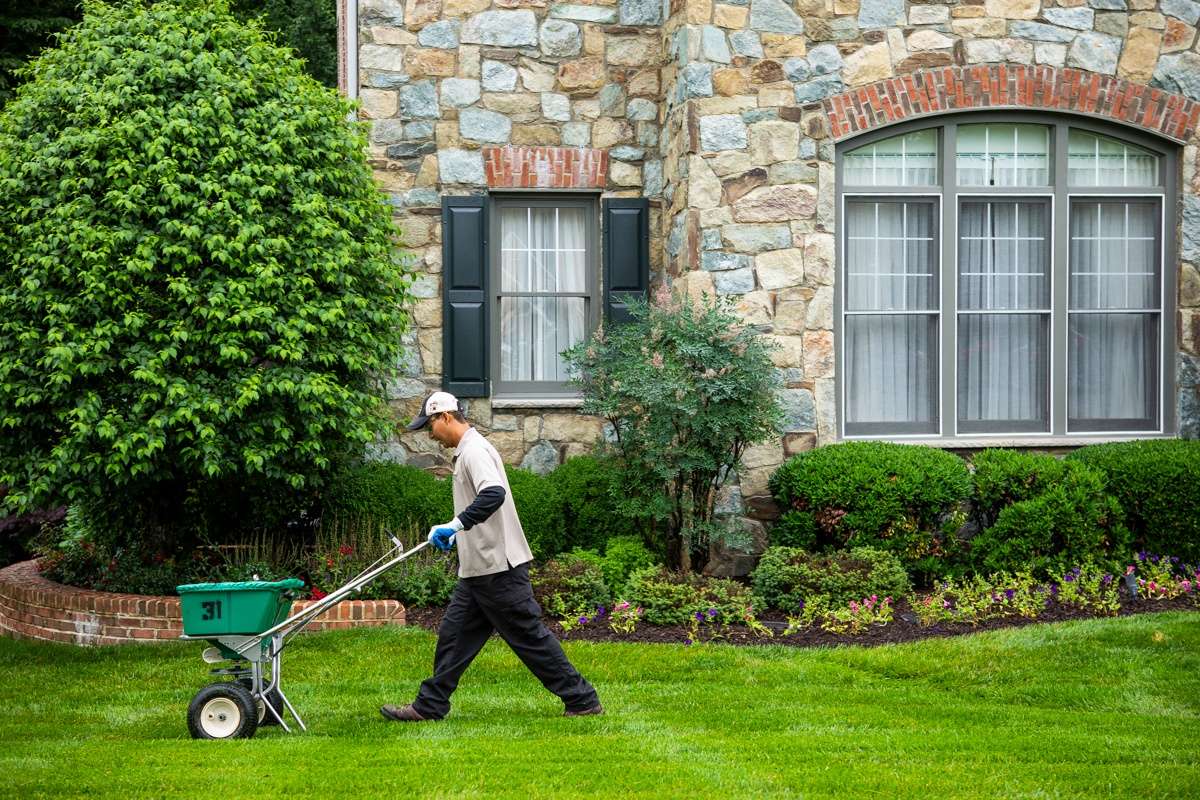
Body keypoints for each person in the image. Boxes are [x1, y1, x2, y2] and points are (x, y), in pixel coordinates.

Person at [380, 391, 603, 722]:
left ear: (444, 417)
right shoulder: (468, 450)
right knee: (454, 637)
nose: (430, 435)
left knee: (529, 638)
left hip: (498, 568)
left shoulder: (474, 451)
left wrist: (455, 525)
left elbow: (493, 494)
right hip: (478, 569)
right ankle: (430, 705)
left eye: (430, 426)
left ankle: (582, 699)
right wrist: (459, 535)